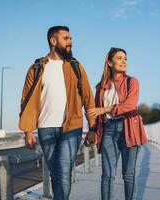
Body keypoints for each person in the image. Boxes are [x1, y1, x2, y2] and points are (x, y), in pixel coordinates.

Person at [18, 25, 96, 200]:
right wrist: (28, 131)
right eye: (66, 38)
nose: (71, 42)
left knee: (63, 173)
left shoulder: (76, 67)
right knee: (56, 174)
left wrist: (93, 128)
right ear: (53, 41)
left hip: (71, 128)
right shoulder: (36, 68)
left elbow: (89, 99)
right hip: (45, 128)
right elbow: (25, 101)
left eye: (70, 38)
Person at [84, 47, 148, 200]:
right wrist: (92, 129)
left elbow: (130, 105)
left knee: (128, 174)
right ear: (109, 62)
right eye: (119, 58)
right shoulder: (101, 87)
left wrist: (104, 109)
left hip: (129, 128)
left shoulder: (132, 82)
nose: (123, 61)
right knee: (107, 174)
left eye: (125, 58)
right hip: (108, 129)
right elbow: (93, 111)